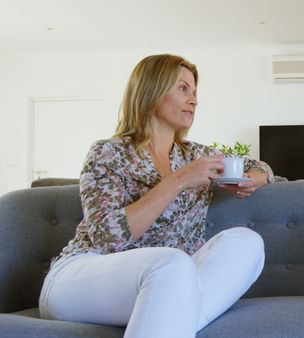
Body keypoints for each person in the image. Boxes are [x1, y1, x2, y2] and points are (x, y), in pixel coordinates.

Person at [39, 54, 274, 338]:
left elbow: (257, 166)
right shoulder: (109, 152)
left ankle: (170, 317)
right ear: (151, 90)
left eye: (195, 92)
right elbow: (106, 236)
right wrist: (179, 180)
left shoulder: (194, 155)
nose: (194, 100)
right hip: (84, 274)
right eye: (182, 88)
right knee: (172, 264)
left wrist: (256, 178)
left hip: (169, 284)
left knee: (247, 242)